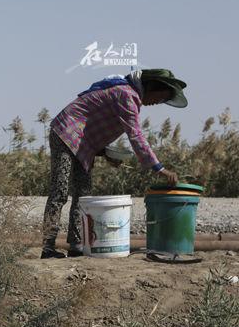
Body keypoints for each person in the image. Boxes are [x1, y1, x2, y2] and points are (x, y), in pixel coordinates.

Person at [41, 68, 187, 258]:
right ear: (152, 87)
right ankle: (48, 248)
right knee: (59, 192)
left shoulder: (129, 96)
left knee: (83, 196)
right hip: (66, 132)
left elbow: (94, 124)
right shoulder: (126, 94)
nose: (157, 103)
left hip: (83, 142)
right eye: (160, 97)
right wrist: (158, 168)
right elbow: (135, 135)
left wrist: (106, 153)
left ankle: (76, 245)